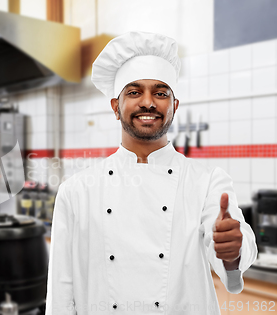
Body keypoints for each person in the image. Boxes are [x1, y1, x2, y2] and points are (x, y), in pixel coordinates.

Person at [46, 31, 257, 315]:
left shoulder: (207, 181)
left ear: (174, 106)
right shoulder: (77, 191)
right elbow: (61, 291)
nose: (148, 102)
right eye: (134, 92)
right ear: (115, 107)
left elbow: (231, 253)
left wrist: (232, 250)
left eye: (160, 93)